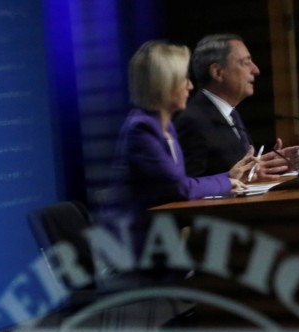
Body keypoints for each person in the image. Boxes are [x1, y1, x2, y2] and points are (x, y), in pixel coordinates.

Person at [107, 40, 255, 219]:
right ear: (165, 84)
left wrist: (229, 176)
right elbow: (179, 188)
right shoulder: (142, 129)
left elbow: (181, 184)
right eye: (184, 79)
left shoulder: (165, 125)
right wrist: (226, 183)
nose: (190, 86)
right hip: (137, 232)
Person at [175, 34, 299, 180]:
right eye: (245, 62)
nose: (256, 70)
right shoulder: (192, 120)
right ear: (217, 72)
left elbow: (237, 169)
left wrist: (261, 166)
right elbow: (187, 185)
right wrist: (235, 177)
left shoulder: (230, 113)